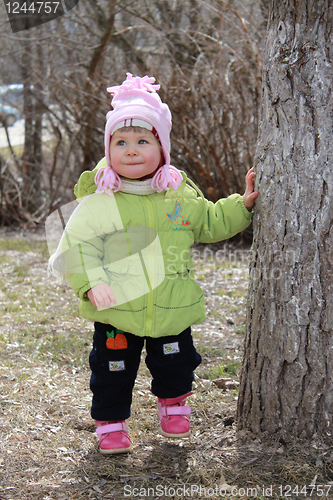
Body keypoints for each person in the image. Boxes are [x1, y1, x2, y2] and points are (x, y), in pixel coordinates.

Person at [49, 73, 258, 455]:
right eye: (121, 142)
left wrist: (240, 206)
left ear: (162, 148)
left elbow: (209, 221)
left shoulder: (177, 195)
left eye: (143, 141)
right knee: (111, 370)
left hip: (171, 305)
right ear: (108, 148)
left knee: (176, 363)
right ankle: (111, 424)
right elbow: (78, 247)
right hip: (117, 309)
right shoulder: (101, 201)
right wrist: (91, 282)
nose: (131, 150)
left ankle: (174, 405)